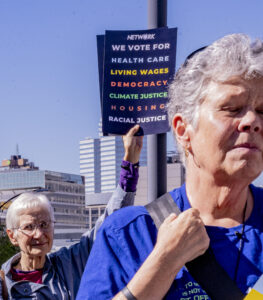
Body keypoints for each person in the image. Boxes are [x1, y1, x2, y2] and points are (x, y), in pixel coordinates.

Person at [76, 33, 263, 300]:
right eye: (232, 108)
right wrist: (164, 262)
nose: (253, 121)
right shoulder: (129, 235)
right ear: (184, 130)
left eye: (262, 110)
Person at [1, 125, 143, 299]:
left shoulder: (69, 263)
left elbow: (109, 226)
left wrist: (130, 163)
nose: (39, 234)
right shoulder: (4, 285)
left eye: (44, 224)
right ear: (12, 235)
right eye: (29, 227)